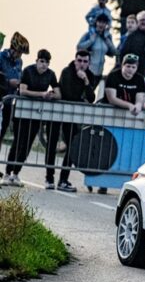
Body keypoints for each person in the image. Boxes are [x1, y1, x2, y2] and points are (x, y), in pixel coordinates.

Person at [3, 49, 61, 187]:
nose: (44, 65)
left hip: (36, 114)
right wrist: (41, 94)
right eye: (42, 61)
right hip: (22, 112)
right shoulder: (28, 71)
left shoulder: (51, 74)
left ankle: (16, 174)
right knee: (18, 142)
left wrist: (50, 95)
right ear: (37, 61)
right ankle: (7, 172)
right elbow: (23, 90)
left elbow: (58, 93)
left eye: (47, 62)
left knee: (27, 144)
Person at [50, 50, 98, 192]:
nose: (82, 64)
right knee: (54, 145)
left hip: (73, 117)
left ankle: (63, 180)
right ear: (75, 60)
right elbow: (68, 94)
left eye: (85, 62)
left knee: (74, 146)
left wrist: (86, 81)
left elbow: (91, 98)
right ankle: (50, 178)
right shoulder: (67, 71)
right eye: (79, 61)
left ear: (88, 63)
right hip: (60, 113)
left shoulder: (89, 75)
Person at [0, 32, 29, 156]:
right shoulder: (1, 57)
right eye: (18, 52)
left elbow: (19, 76)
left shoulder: (19, 62)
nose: (19, 55)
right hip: (0, 96)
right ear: (12, 48)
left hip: (8, 102)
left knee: (2, 133)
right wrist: (7, 81)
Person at [119, 10, 145, 75]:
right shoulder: (131, 37)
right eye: (142, 20)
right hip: (135, 73)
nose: (144, 22)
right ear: (138, 22)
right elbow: (123, 55)